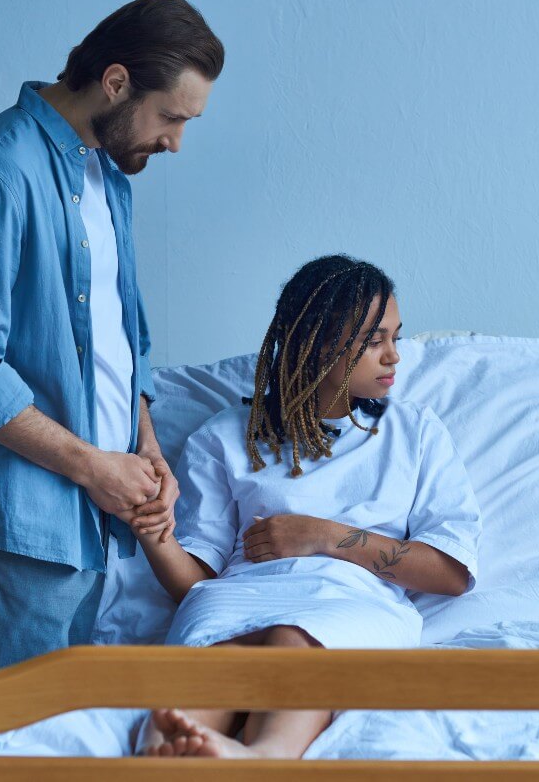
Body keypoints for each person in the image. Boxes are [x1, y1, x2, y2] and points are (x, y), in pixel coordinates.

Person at [0, 0, 224, 693]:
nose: (176, 141)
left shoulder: (107, 177)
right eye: (171, 116)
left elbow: (124, 341)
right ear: (115, 83)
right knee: (15, 758)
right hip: (21, 530)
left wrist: (145, 447)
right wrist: (95, 469)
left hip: (93, 523)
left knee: (61, 751)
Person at [134, 255, 481, 759]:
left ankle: (261, 757)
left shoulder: (415, 433)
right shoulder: (227, 436)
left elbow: (450, 571)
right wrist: (153, 532)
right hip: (237, 598)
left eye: (395, 338)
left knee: (292, 642)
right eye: (374, 341)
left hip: (349, 601)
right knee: (216, 660)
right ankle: (160, 753)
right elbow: (194, 580)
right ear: (319, 346)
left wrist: (324, 536)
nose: (393, 358)